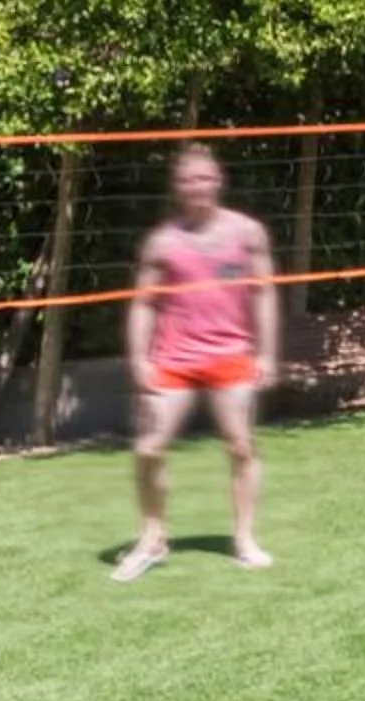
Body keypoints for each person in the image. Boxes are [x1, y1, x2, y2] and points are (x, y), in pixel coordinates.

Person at [111, 144, 278, 583]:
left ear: (217, 181)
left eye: (205, 178)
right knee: (147, 447)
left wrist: (267, 352)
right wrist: (139, 359)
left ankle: (244, 540)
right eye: (189, 180)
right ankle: (153, 539)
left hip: (231, 353)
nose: (198, 186)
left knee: (241, 446)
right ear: (178, 187)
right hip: (174, 358)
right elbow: (143, 304)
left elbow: (263, 293)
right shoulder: (162, 242)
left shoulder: (247, 233)